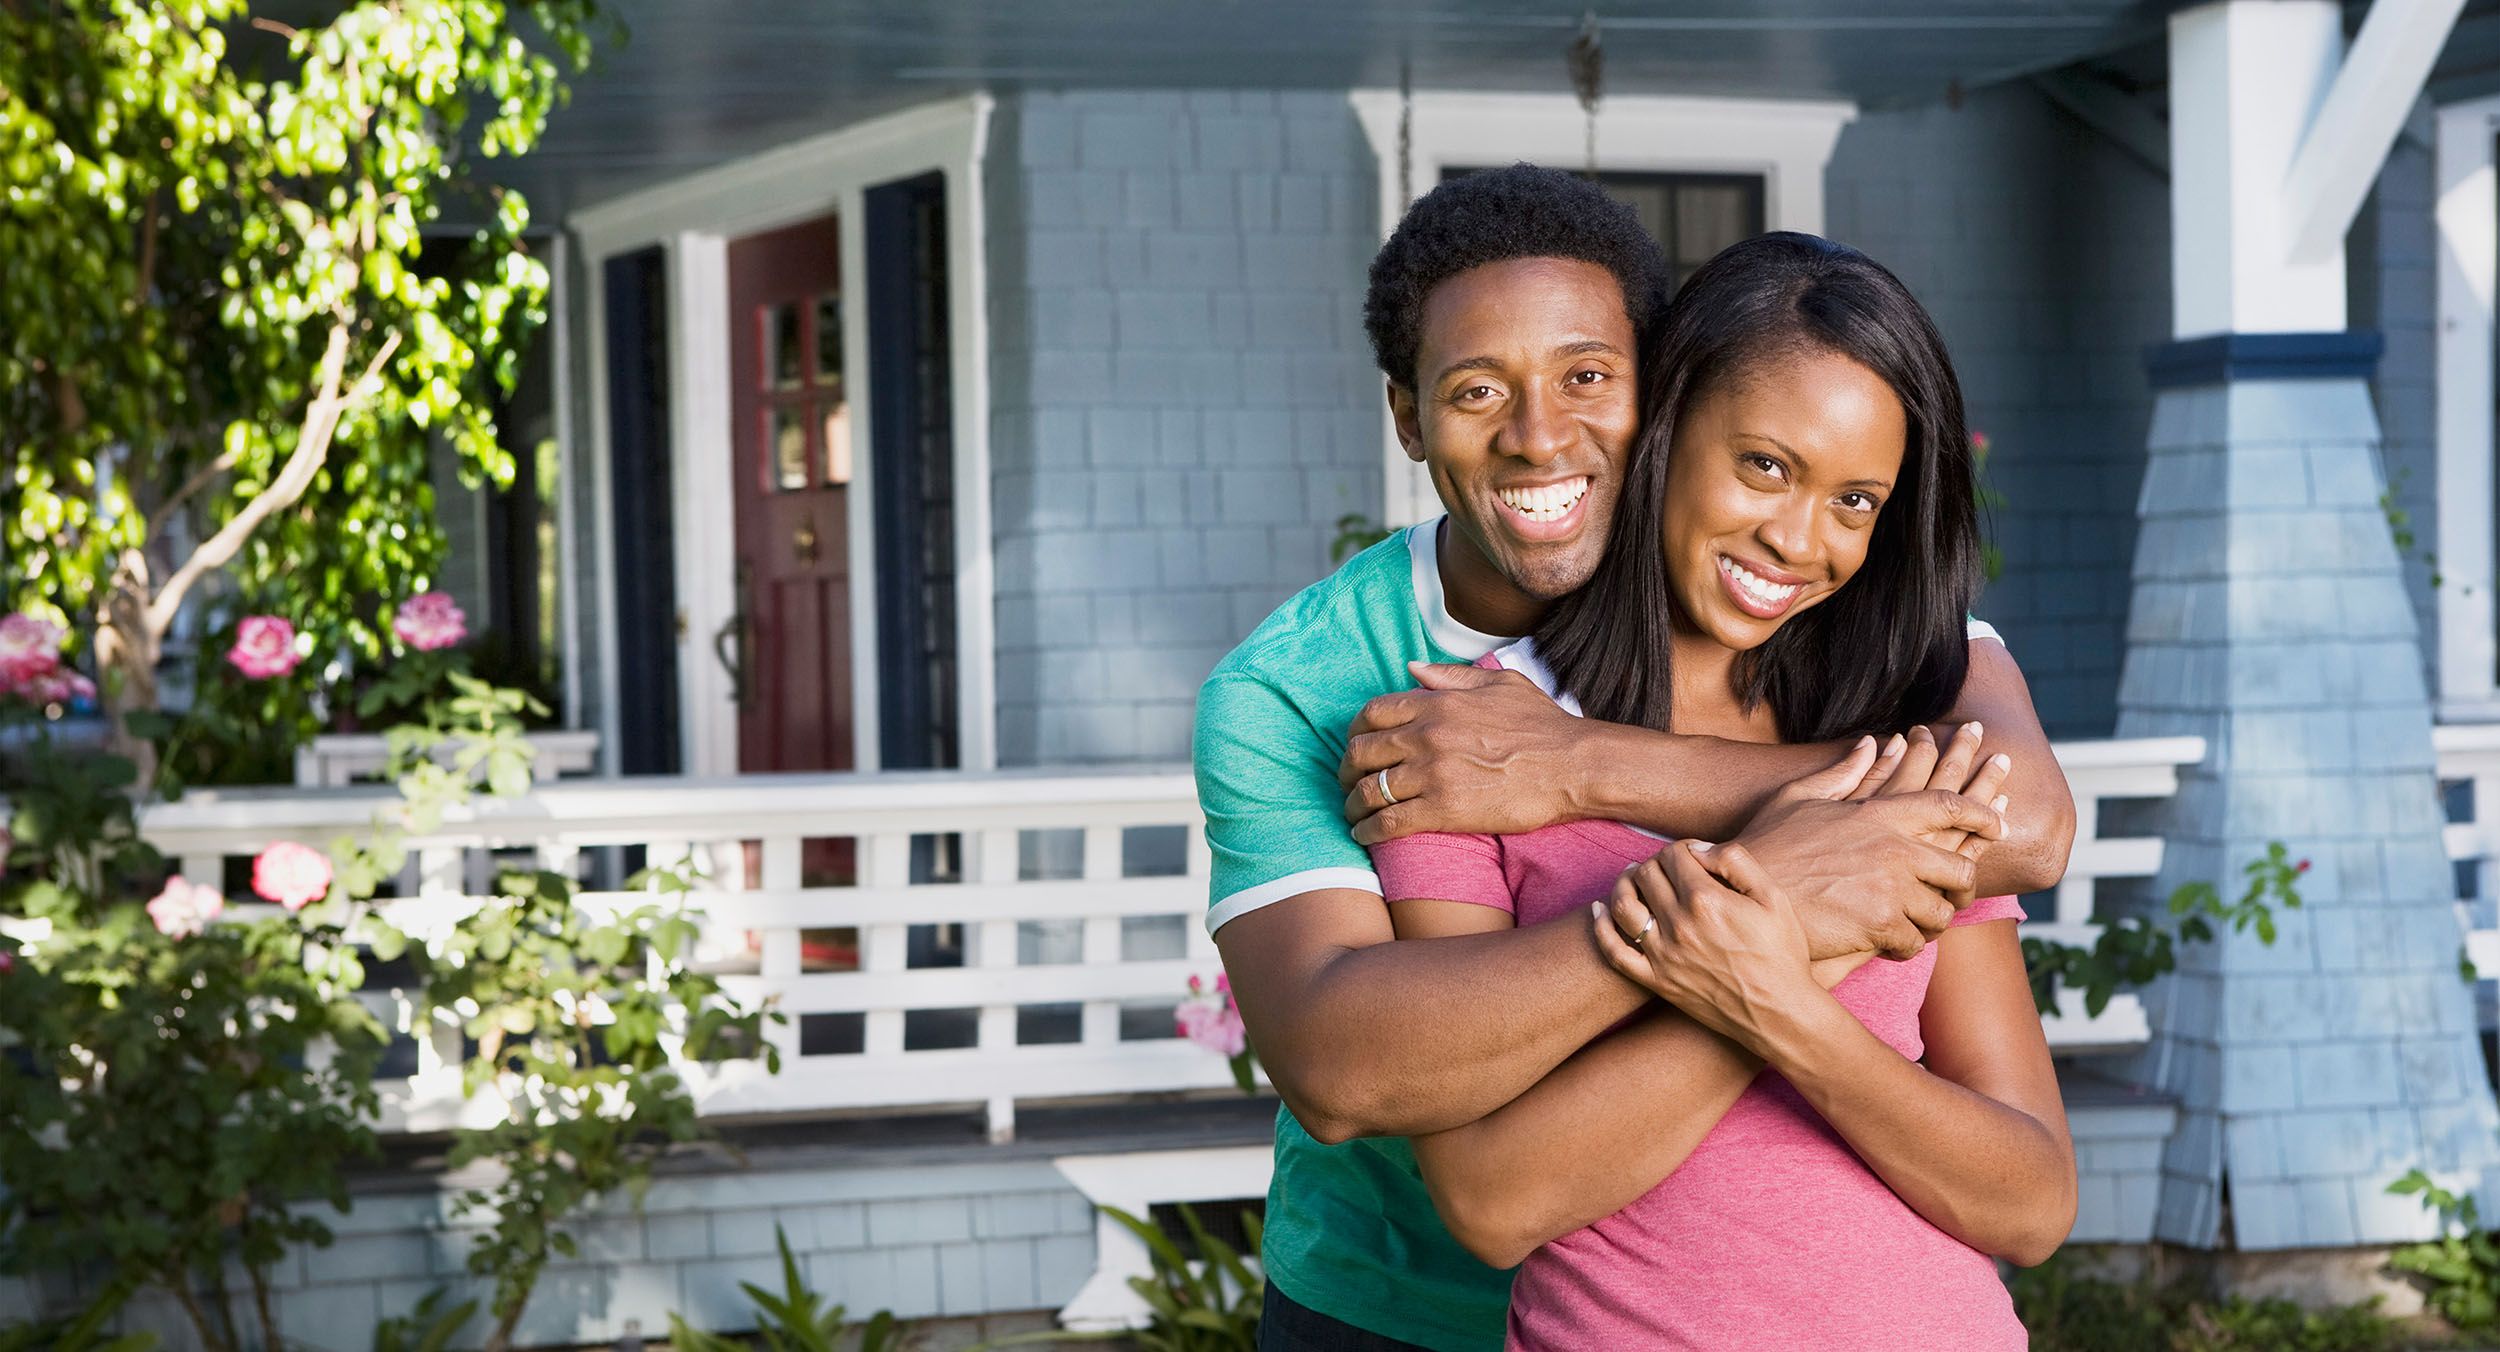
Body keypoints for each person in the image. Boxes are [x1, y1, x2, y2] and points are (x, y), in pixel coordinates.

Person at [1193, 164, 2077, 1352]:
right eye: (1473, 389)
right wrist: (1779, 918)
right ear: (1407, 415)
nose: (1539, 435)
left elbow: (2018, 834)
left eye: (1587, 376)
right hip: (1397, 1296)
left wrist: (1585, 768)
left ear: (1654, 388)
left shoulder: (1848, 653)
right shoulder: (1356, 698)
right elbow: (1349, 1069)